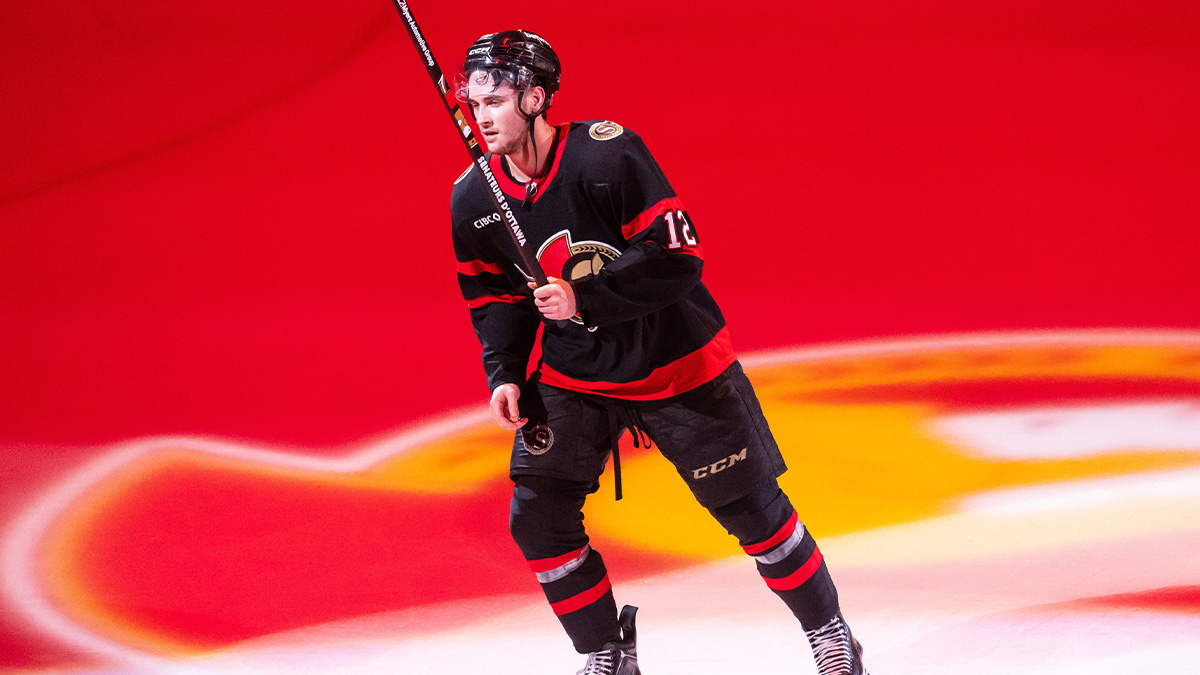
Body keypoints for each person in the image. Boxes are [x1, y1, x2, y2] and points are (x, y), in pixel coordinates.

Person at [449, 29, 869, 675]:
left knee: (752, 511)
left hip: (676, 363)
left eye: (495, 101)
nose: (481, 117)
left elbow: (680, 259)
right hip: (575, 375)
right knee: (539, 518)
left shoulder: (607, 156)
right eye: (472, 104)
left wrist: (582, 296)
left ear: (535, 98)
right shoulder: (474, 197)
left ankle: (831, 633)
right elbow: (492, 297)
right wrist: (504, 370)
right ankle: (607, 653)